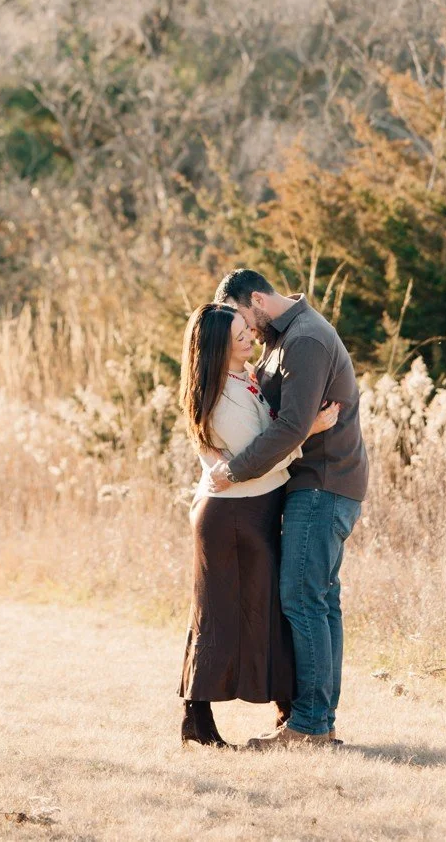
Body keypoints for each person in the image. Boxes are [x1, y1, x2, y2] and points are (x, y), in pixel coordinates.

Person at [206, 268, 369, 749]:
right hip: (319, 483)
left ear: (256, 299)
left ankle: (311, 726)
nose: (244, 332)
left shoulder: (306, 340)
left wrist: (233, 471)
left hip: (322, 484)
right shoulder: (283, 338)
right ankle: (318, 720)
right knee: (318, 601)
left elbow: (291, 428)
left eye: (242, 319)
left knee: (303, 600)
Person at [176, 302, 340, 748]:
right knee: (221, 616)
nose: (250, 336)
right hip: (233, 516)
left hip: (252, 510)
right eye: (239, 334)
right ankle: (198, 721)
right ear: (217, 347)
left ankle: (287, 712)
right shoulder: (222, 397)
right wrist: (308, 429)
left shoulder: (239, 381)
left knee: (264, 611)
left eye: (247, 328)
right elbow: (258, 459)